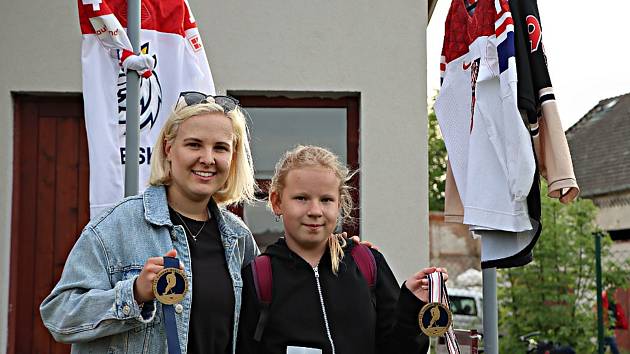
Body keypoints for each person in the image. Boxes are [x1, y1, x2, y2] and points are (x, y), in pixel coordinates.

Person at [40, 92, 259, 354]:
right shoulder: (117, 225)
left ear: (233, 157)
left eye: (220, 148)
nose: (208, 158)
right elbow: (59, 317)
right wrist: (133, 293)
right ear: (169, 148)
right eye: (194, 145)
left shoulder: (239, 238)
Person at [236, 145, 446, 354]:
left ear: (340, 205)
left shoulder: (366, 263)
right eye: (301, 198)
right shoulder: (259, 277)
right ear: (277, 202)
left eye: (326, 200)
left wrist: (411, 305)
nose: (315, 211)